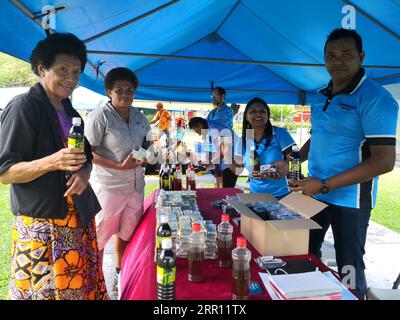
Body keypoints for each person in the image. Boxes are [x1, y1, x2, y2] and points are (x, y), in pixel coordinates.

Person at [288, 28, 399, 297]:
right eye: (331, 55)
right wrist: (293, 159)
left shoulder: (375, 98)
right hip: (314, 193)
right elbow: (320, 135)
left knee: (348, 266)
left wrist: (324, 185)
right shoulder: (321, 94)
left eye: (346, 54)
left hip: (350, 200)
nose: (337, 61)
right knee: (304, 253)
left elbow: (384, 161)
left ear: (361, 57)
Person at [0, 33, 108, 300]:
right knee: (44, 292)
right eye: (62, 70)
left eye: (76, 72)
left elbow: (87, 158)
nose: (71, 79)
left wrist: (84, 173)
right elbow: (5, 171)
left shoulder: (70, 111)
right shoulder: (24, 107)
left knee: (77, 288)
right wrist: (52, 162)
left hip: (77, 218)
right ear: (42, 69)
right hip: (43, 223)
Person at [85, 67, 152, 298]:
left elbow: (148, 144)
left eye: (129, 91)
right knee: (100, 237)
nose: (125, 95)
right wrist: (118, 167)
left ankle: (120, 274)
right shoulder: (100, 115)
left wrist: (148, 155)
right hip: (108, 187)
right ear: (109, 92)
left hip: (135, 187)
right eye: (119, 91)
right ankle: (96, 282)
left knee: (127, 234)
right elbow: (87, 152)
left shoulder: (140, 117)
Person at [223, 98, 296, 198]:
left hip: (281, 196)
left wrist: (284, 167)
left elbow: (295, 159)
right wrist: (225, 153)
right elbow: (238, 170)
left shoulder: (279, 133)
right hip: (255, 196)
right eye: (253, 111)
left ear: (268, 115)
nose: (258, 114)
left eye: (262, 111)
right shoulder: (243, 140)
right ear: (246, 117)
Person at [189, 117, 239, 188]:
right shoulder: (209, 129)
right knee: (222, 189)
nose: (199, 134)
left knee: (227, 190)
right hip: (227, 161)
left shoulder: (214, 129)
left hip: (232, 160)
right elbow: (211, 149)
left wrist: (211, 161)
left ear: (199, 125)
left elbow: (224, 148)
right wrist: (208, 162)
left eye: (197, 132)